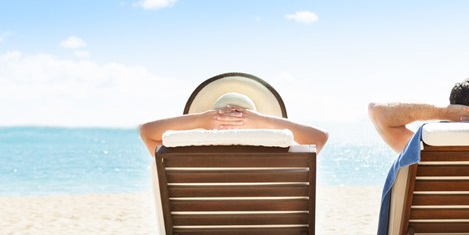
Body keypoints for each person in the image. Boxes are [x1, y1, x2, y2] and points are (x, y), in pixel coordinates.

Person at [139, 75, 329, 155]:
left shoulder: (186, 155)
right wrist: (262, 121)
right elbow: (320, 138)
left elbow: (146, 131)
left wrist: (201, 120)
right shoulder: (281, 152)